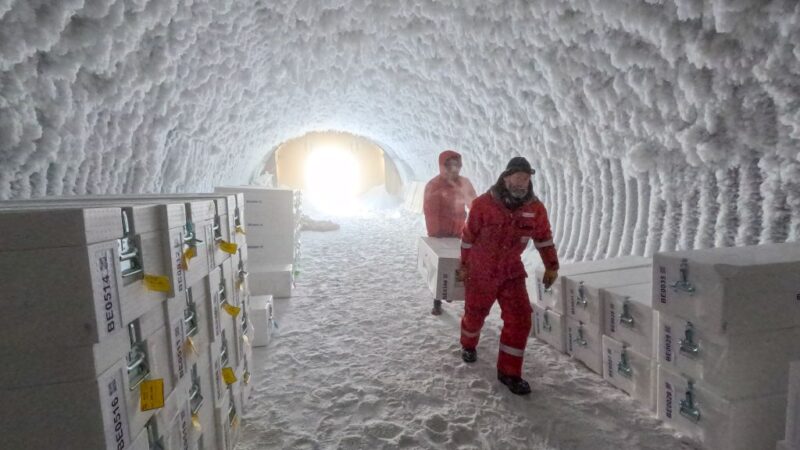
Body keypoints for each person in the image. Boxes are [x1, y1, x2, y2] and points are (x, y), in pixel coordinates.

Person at [457, 156, 559, 395]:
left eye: (526, 178)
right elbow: (468, 237)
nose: (522, 183)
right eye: (517, 177)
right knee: (475, 314)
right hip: (481, 270)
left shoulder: (535, 209)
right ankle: (468, 344)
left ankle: (509, 373)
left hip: (511, 271)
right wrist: (464, 265)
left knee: (521, 318)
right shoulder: (483, 204)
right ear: (506, 177)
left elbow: (543, 237)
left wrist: (551, 265)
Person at [423, 150, 477, 315]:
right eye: (449, 165)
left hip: (459, 232)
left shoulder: (464, 183)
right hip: (440, 234)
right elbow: (431, 212)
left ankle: (454, 294)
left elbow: (474, 204)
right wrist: (435, 234)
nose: (454, 169)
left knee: (460, 264)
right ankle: (437, 300)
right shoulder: (434, 185)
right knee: (440, 266)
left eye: (456, 165)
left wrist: (476, 224)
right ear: (442, 166)